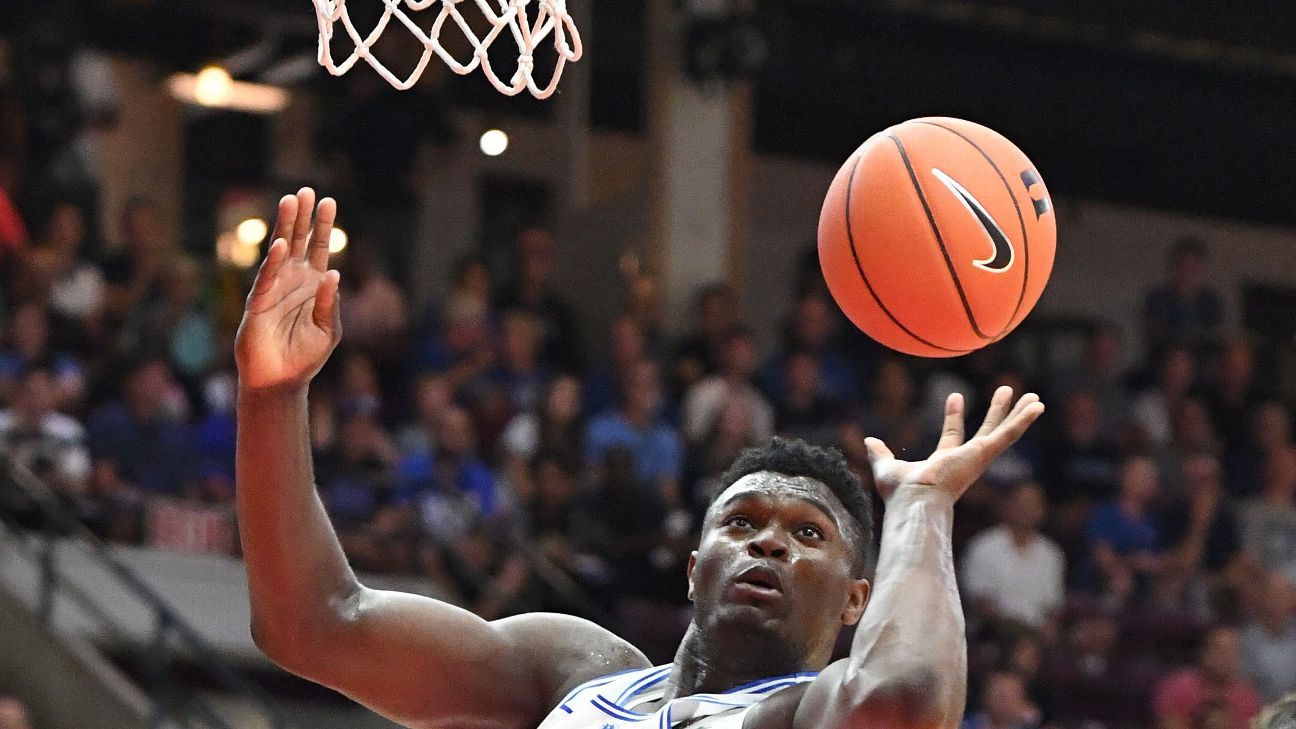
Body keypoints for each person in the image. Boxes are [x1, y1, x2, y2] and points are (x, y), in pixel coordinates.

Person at [235, 189, 1044, 729]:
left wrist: (925, 501)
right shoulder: (572, 668)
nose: (768, 540)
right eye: (744, 519)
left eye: (808, 535)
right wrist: (272, 395)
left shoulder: (805, 712)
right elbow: (313, 623)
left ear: (854, 603)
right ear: (693, 567)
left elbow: (905, 696)